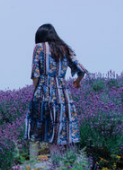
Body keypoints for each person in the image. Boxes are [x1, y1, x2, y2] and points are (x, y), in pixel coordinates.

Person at [24, 24, 88, 161]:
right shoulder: (65, 49)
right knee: (57, 132)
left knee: (35, 131)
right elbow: (81, 69)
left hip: (43, 91)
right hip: (62, 95)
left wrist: (37, 91)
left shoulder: (39, 47)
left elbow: (35, 74)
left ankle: (33, 169)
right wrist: (77, 81)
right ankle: (57, 166)